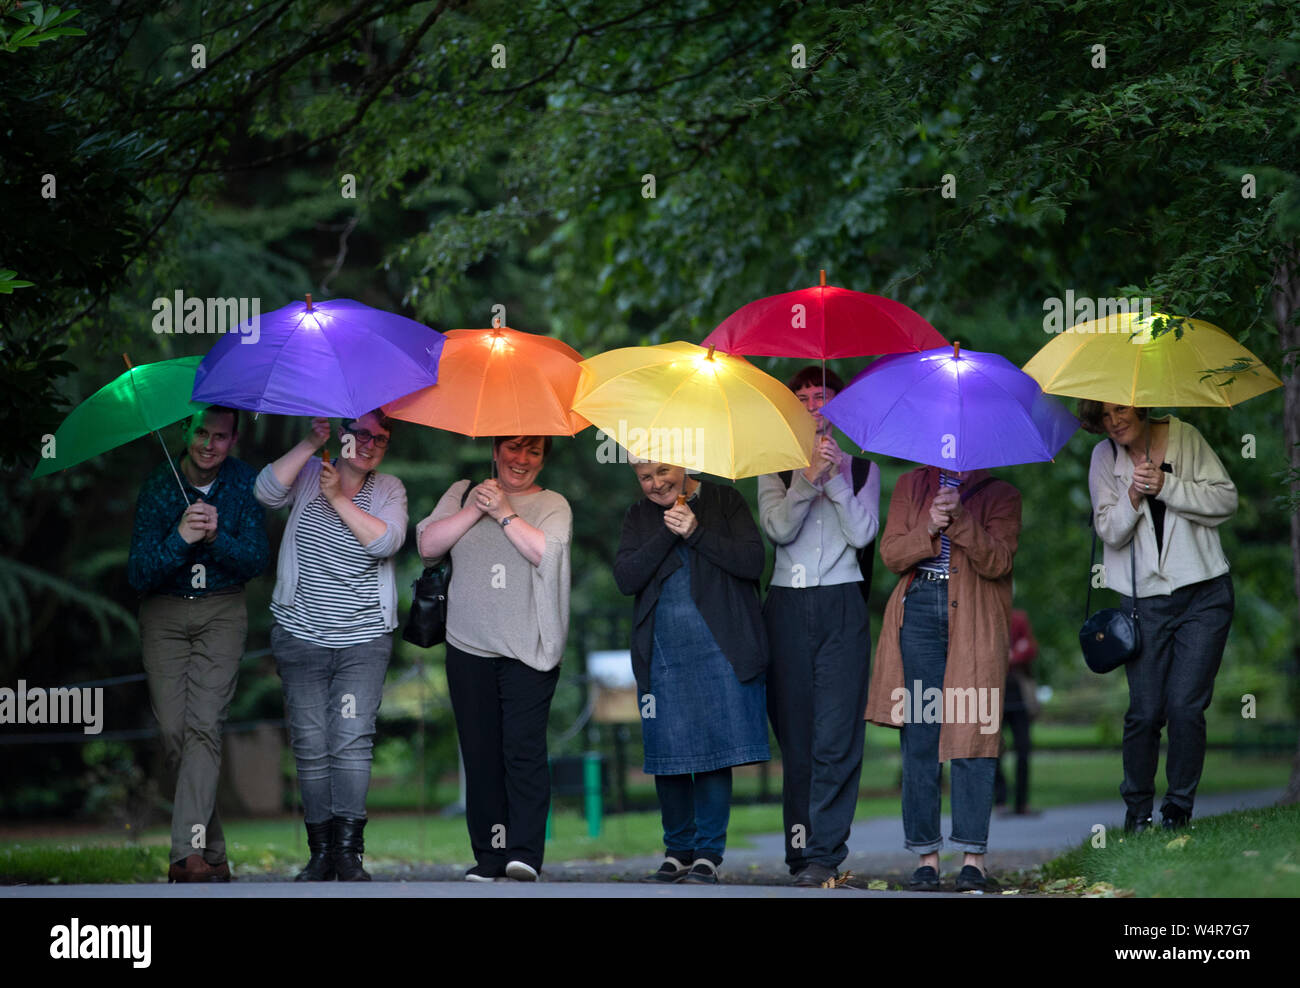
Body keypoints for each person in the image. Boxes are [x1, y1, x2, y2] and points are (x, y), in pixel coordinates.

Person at [255, 412, 408, 881]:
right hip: (301, 635)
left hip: (362, 640)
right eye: (361, 434)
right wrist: (309, 440)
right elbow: (263, 492)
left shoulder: (389, 489)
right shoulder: (308, 473)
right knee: (310, 743)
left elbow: (386, 542)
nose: (371, 443)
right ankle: (320, 852)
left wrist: (338, 499)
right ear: (343, 435)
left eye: (380, 437)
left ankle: (348, 852)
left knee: (351, 740)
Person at [416, 436, 572, 882]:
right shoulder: (463, 491)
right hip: (467, 646)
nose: (522, 459)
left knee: (522, 751)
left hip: (529, 647)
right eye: (514, 448)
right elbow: (428, 545)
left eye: (534, 451)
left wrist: (505, 511)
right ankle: (490, 854)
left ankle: (523, 853)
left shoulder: (553, 504)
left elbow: (546, 553)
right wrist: (476, 508)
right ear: (496, 448)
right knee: (481, 755)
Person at [128, 405, 268, 883]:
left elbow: (254, 560)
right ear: (183, 430)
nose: (210, 444)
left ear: (233, 441)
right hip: (163, 614)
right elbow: (139, 572)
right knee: (176, 732)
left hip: (222, 613)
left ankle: (184, 856)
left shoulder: (244, 483)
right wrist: (182, 537)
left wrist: (216, 538)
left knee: (204, 726)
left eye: (221, 437)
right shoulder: (158, 486)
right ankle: (213, 853)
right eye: (201, 432)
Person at [1080, 401, 1236, 832]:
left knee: (1186, 706)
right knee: (1145, 712)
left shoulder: (1185, 436)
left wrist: (1166, 485)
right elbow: (1108, 530)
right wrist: (1133, 493)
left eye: (1120, 410)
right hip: (1143, 602)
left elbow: (1226, 500)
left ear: (1140, 405)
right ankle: (1137, 812)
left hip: (1204, 594)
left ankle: (1177, 809)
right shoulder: (1103, 458)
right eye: (1104, 416)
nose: (1114, 421)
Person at [864, 465, 1021, 892]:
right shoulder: (912, 485)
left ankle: (973, 859)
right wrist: (930, 525)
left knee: (975, 730)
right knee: (921, 735)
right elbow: (893, 555)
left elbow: (998, 562)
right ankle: (926, 859)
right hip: (918, 614)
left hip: (976, 617)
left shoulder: (1002, 493)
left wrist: (963, 522)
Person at [613, 460, 770, 885]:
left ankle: (708, 855)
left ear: (682, 465)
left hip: (721, 645)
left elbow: (753, 562)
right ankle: (677, 850)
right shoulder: (638, 516)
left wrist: (695, 531)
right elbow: (626, 578)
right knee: (669, 752)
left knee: (715, 749)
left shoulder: (725, 500)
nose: (656, 483)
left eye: (663, 471)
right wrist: (668, 530)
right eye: (645, 477)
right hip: (663, 649)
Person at [757, 366, 879, 887]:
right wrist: (807, 481)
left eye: (821, 396)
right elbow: (778, 531)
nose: (811, 406)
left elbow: (863, 534)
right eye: (802, 397)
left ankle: (826, 854)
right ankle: (800, 850)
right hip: (786, 604)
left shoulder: (860, 469)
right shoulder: (773, 468)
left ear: (838, 404)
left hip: (842, 605)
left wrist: (834, 485)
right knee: (798, 736)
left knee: (837, 735)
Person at [994, 607, 1039, 816]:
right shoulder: (986, 617)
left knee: (1023, 748)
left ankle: (1022, 802)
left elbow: (1029, 648)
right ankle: (1000, 799)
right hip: (994, 694)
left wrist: (1010, 655)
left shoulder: (1018, 618)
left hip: (1017, 694)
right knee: (993, 749)